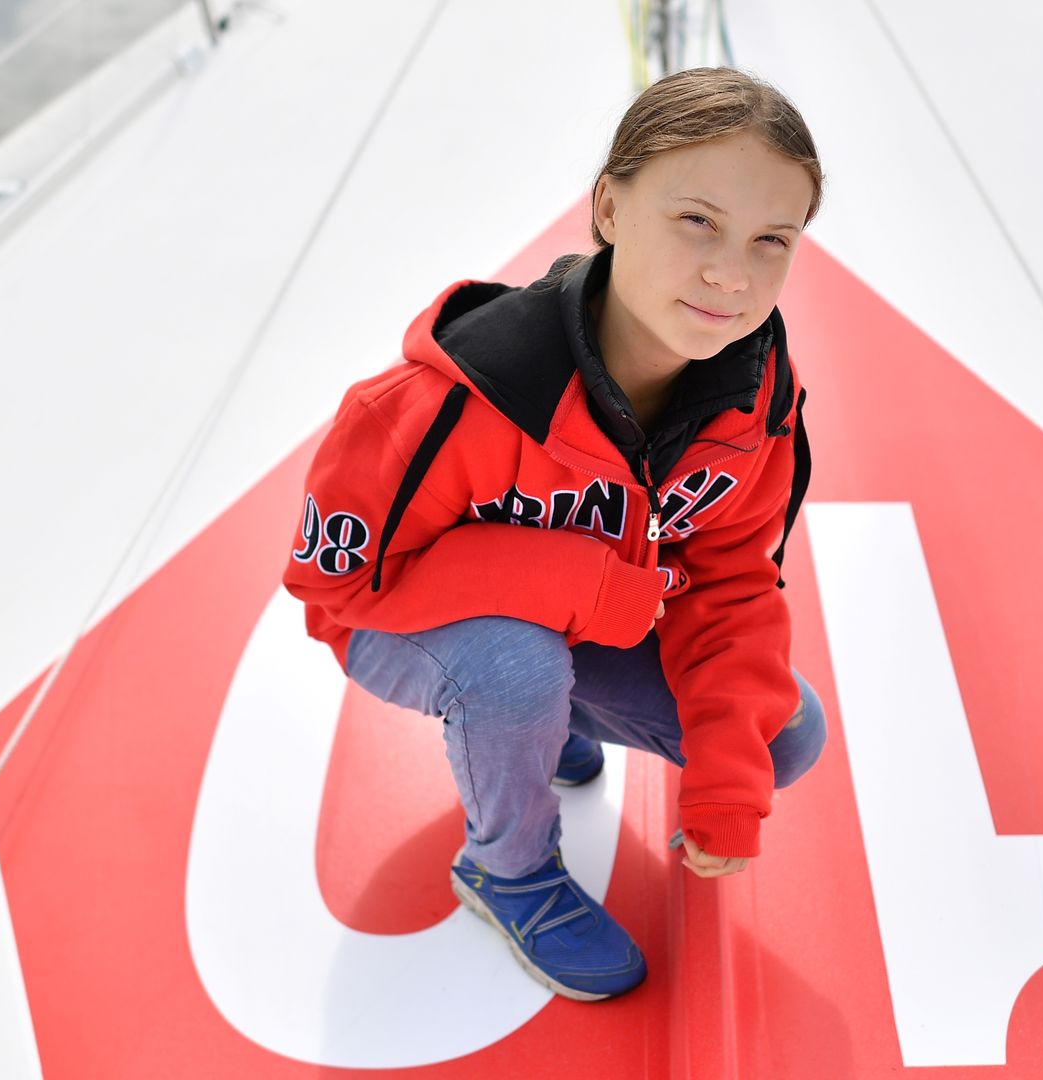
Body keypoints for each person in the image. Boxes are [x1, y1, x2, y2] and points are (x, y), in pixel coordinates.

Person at [281, 66, 827, 1002]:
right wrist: (571, 585)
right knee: (513, 668)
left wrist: (727, 790)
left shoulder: (755, 403)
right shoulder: (444, 401)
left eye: (770, 239)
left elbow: (733, 585)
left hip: (582, 622)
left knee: (781, 739)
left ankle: (550, 716)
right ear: (609, 207)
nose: (731, 275)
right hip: (399, 622)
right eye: (697, 219)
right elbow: (336, 589)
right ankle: (508, 867)